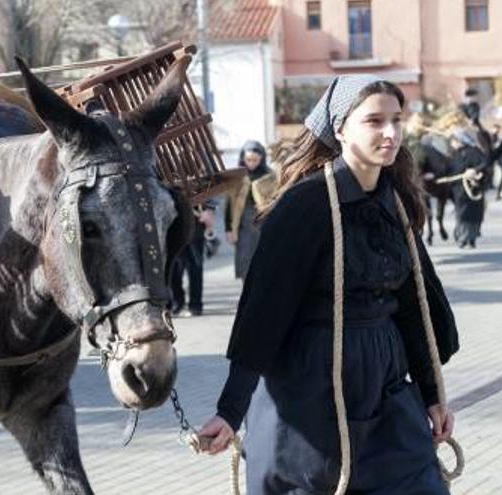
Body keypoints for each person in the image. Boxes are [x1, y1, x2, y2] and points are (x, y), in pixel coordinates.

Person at [198, 75, 459, 494]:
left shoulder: (395, 201)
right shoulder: (304, 206)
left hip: (387, 386)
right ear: (340, 129)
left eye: (396, 120)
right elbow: (262, 316)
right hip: (313, 385)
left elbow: (415, 307)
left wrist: (431, 393)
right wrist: (230, 411)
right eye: (374, 121)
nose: (390, 133)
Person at [225, 140, 276, 280]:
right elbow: (230, 204)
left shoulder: (270, 176)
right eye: (248, 160)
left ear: (262, 158)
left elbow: (277, 200)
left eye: (255, 160)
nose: (252, 163)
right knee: (245, 263)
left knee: (264, 263)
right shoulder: (237, 177)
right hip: (242, 225)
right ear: (243, 158)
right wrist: (228, 229)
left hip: (264, 222)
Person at [170, 201, 216, 317]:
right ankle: (177, 301)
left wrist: (209, 209)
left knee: (195, 266)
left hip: (194, 223)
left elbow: (208, 188)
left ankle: (195, 305)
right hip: (173, 222)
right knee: (173, 267)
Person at [449, 130, 489, 248]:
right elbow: (448, 169)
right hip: (458, 188)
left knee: (474, 214)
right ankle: (462, 237)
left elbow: (485, 163)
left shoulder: (474, 151)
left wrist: (474, 171)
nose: (453, 144)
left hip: (473, 188)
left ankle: (471, 238)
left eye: (455, 141)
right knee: (461, 214)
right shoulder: (454, 154)